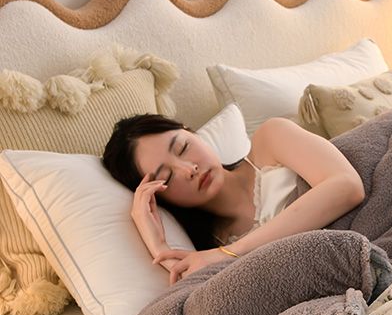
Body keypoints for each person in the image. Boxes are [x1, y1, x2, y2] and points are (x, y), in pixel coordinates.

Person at [102, 114, 365, 284]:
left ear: (191, 132)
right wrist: (158, 245)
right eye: (167, 177)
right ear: (160, 196)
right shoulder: (209, 249)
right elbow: (206, 299)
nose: (189, 169)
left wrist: (229, 254)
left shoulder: (270, 140)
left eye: (183, 147)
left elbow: (347, 186)